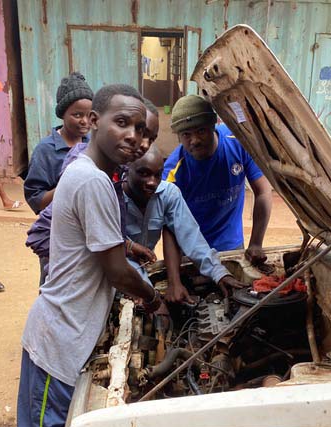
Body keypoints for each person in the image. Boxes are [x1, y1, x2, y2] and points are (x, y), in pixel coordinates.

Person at [11, 83, 162, 427]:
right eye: (123, 123)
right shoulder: (92, 181)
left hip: (66, 334)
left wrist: (131, 254)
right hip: (58, 340)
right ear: (93, 120)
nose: (134, 136)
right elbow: (116, 271)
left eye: (141, 129)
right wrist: (154, 299)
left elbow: (106, 249)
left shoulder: (89, 174)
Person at [25, 99, 160, 282]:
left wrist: (126, 245)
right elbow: (41, 230)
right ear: (96, 121)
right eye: (123, 124)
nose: (142, 143)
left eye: (148, 137)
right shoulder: (89, 174)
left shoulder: (118, 170)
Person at [123, 144, 241, 303]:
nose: (152, 182)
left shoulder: (168, 194)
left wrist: (219, 273)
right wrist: (151, 296)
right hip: (114, 277)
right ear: (128, 167)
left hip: (142, 272)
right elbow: (107, 249)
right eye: (143, 173)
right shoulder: (111, 197)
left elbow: (189, 236)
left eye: (157, 175)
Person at [163, 95, 272, 266]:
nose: (195, 140)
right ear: (178, 136)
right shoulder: (174, 170)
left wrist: (256, 243)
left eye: (201, 131)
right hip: (192, 253)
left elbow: (263, 191)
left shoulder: (239, 143)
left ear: (213, 125)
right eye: (186, 134)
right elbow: (170, 224)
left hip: (233, 248)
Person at [23, 72, 93, 213]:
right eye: (77, 115)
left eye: (89, 115)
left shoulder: (93, 145)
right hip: (57, 226)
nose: (85, 121)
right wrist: (67, 185)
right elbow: (36, 201)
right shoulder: (45, 150)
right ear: (63, 114)